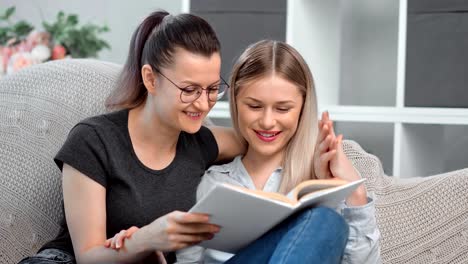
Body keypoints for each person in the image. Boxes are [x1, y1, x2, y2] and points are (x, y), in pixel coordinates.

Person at [108, 40, 381, 263]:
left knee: (325, 221)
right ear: (236, 103)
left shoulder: (318, 187)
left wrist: (355, 194)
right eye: (254, 106)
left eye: (283, 109)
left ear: (302, 109)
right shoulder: (211, 182)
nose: (267, 121)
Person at [19, 11, 245, 264]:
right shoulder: (94, 141)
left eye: (213, 89)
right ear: (150, 79)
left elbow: (266, 139)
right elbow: (88, 258)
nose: (203, 104)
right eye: (189, 90)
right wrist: (147, 239)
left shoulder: (202, 143)